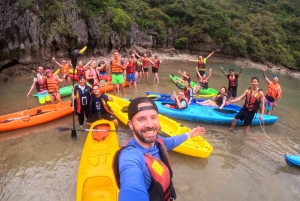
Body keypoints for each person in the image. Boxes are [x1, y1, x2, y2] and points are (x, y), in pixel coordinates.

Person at [112, 97, 206, 201]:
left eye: (153, 117)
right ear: (130, 124)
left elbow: (172, 142)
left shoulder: (158, 141)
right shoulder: (130, 156)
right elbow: (131, 188)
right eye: (141, 119)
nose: (150, 124)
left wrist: (189, 135)